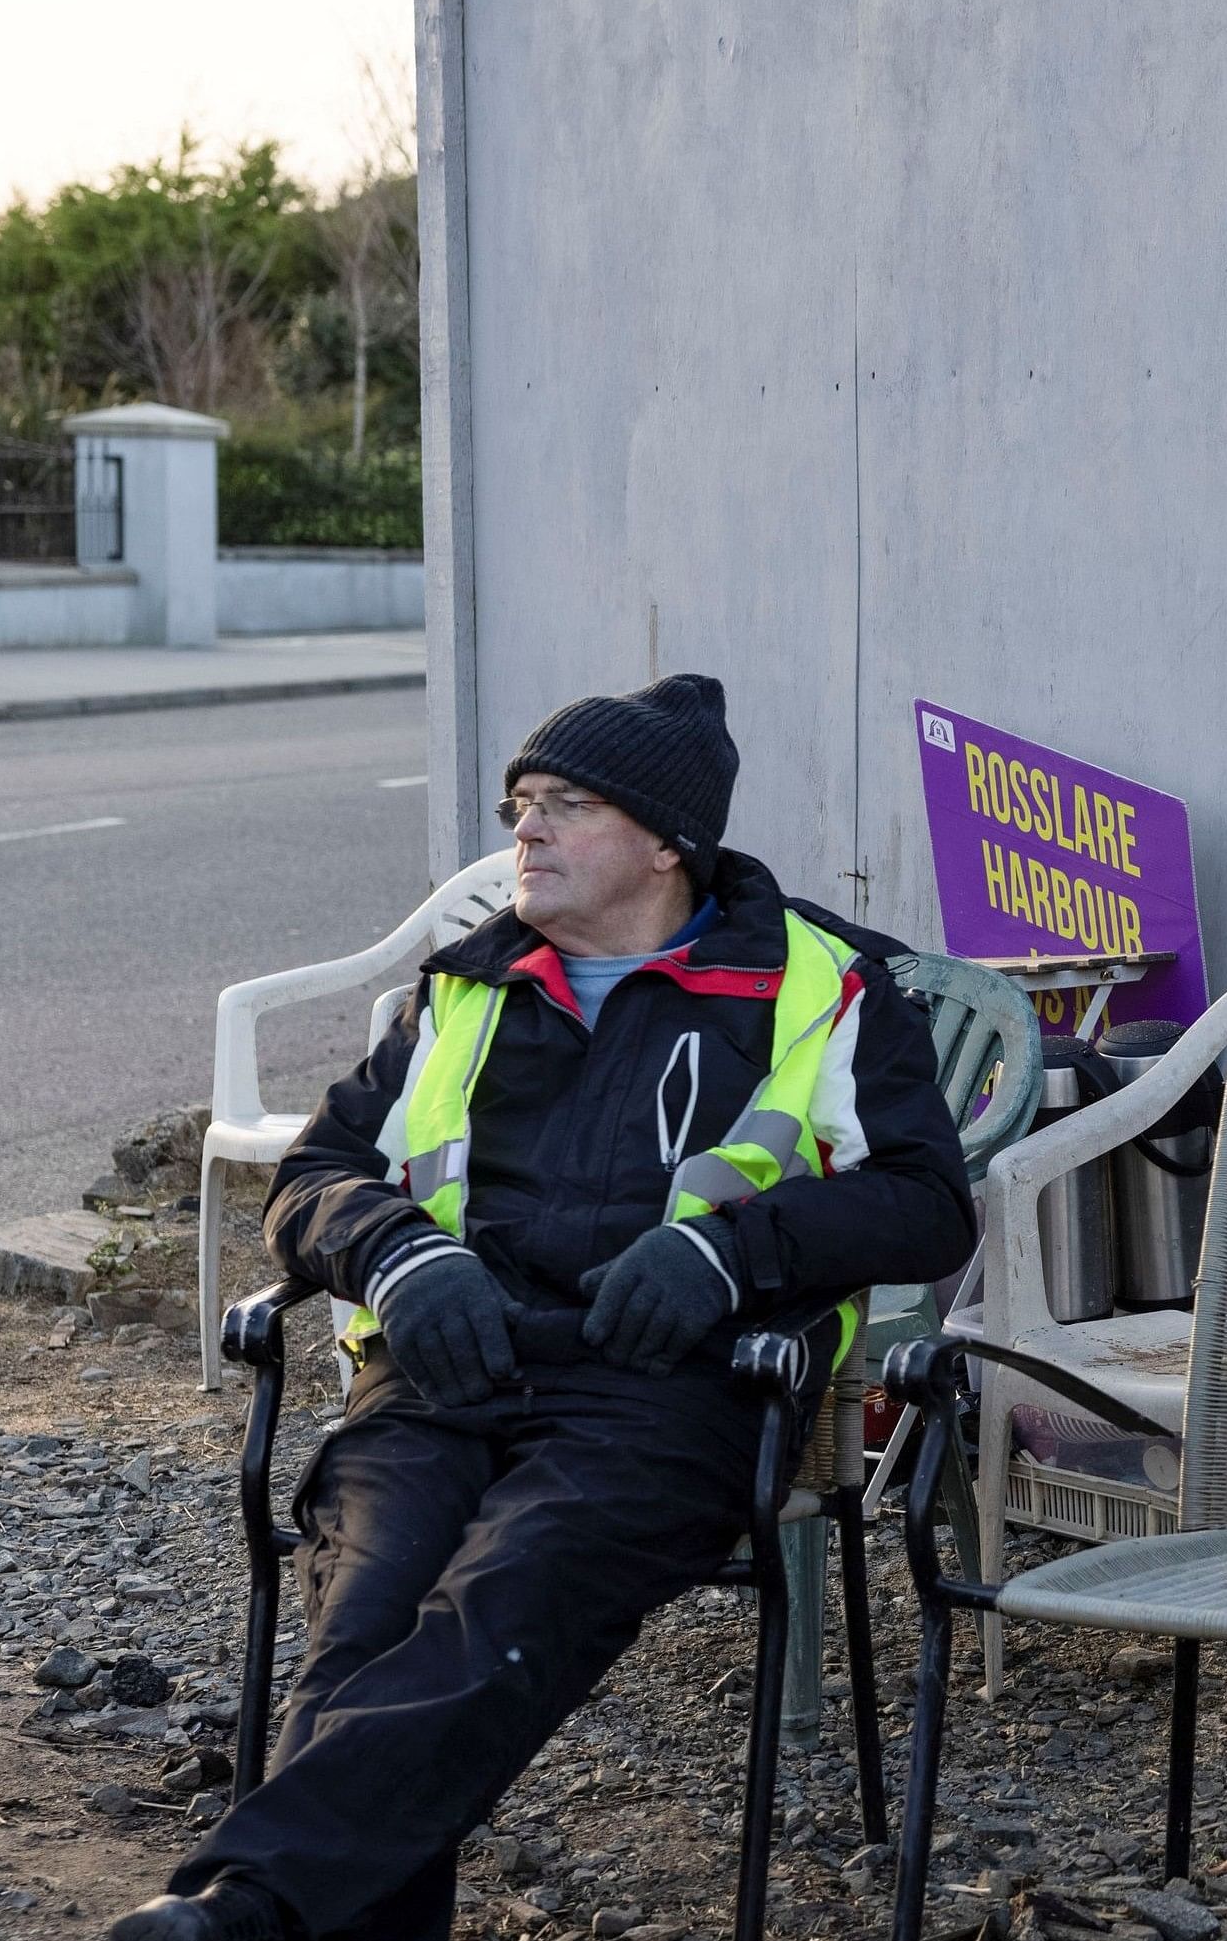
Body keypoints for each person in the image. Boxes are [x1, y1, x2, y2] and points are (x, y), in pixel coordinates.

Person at [112, 675, 977, 1941]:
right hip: (439, 1373)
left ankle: (244, 1907)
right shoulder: (466, 983)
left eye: (566, 804)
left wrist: (730, 1254)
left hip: (671, 1388)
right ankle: (257, 1909)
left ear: (667, 841)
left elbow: (925, 1203)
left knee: (501, 1601)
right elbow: (312, 1178)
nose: (525, 830)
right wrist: (401, 1258)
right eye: (523, 802)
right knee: (367, 1613)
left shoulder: (825, 984)